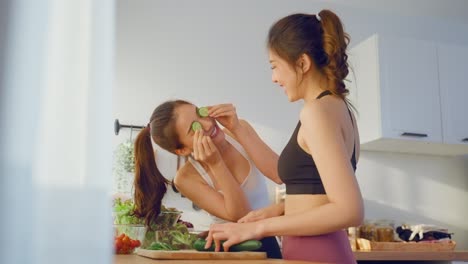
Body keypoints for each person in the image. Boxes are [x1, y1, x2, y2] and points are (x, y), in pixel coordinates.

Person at [205, 10, 364, 263]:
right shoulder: (338, 109)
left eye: (274, 66)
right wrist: (275, 211)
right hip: (321, 252)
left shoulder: (316, 113)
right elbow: (307, 188)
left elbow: (349, 210)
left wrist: (258, 228)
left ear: (302, 63)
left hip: (318, 255)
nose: (274, 78)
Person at [132, 99, 282, 258]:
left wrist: (237, 127)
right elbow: (242, 216)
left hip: (267, 237)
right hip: (230, 250)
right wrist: (216, 164)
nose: (208, 124)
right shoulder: (185, 179)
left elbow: (279, 175)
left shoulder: (239, 129)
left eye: (200, 113)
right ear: (182, 150)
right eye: (194, 128)